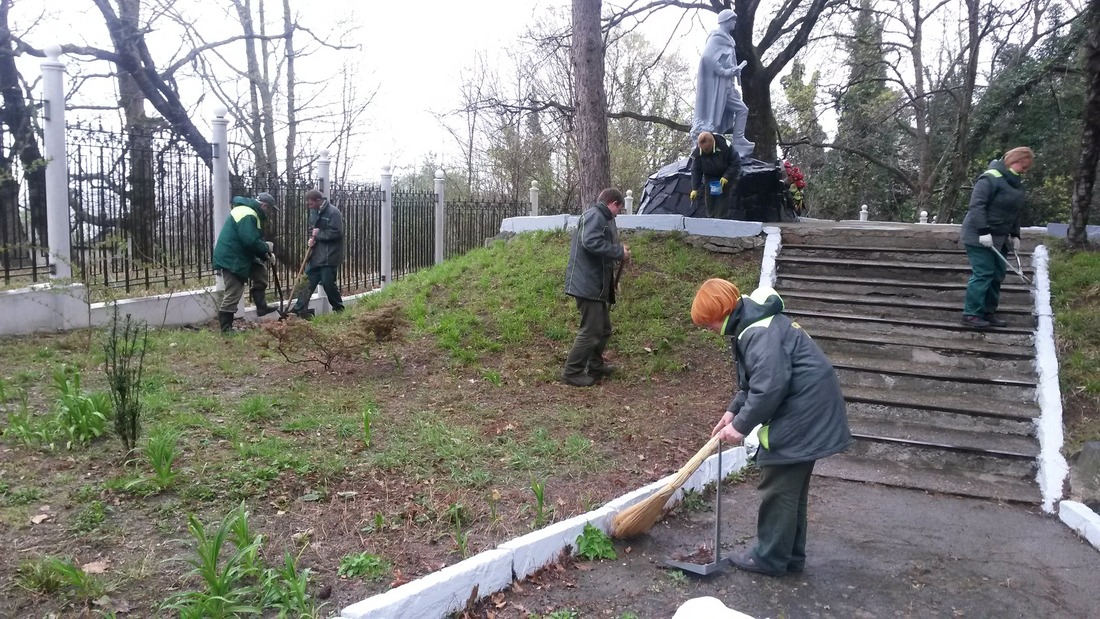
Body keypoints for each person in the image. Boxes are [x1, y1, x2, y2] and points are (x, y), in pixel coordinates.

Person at [691, 279, 851, 576]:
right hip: (811, 411)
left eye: (708, 322)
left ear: (720, 311)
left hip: (803, 415)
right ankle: (789, 557)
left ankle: (769, 558)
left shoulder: (758, 334)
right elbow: (754, 382)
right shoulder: (756, 323)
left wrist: (740, 427)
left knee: (778, 486)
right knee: (791, 492)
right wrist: (733, 411)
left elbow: (769, 387)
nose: (709, 329)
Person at [562, 188, 631, 387]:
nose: (618, 214)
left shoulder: (599, 217)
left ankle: (595, 365)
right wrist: (618, 251)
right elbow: (590, 242)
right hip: (587, 284)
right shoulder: (596, 216)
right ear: (614, 203)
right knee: (591, 330)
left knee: (603, 329)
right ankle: (572, 372)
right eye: (619, 209)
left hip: (593, 284)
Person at [959, 147, 1034, 329]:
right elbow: (976, 207)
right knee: (984, 273)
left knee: (997, 275)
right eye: (1024, 167)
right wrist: (983, 231)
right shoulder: (989, 178)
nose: (1025, 171)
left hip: (1000, 236)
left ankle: (988, 312)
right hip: (978, 235)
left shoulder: (1016, 184)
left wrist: (1016, 235)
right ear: (1015, 161)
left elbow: (1015, 212)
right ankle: (971, 314)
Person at [692, 9, 754, 159]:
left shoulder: (728, 40)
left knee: (742, 110)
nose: (735, 23)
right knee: (717, 118)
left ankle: (738, 141)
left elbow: (727, 61)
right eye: (732, 20)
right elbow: (707, 57)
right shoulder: (717, 38)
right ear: (726, 21)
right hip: (718, 87)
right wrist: (724, 71)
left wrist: (733, 71)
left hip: (728, 86)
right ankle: (709, 145)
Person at [213, 194, 278, 333]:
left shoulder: (249, 211)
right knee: (234, 291)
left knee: (260, 272)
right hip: (232, 257)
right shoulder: (248, 214)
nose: (269, 213)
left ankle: (261, 307)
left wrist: (265, 255)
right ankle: (226, 329)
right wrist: (266, 247)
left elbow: (251, 241)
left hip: (240, 254)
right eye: (270, 209)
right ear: (264, 206)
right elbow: (250, 241)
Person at [290, 189, 345, 317]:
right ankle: (299, 310)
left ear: (319, 201)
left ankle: (339, 308)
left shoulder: (333, 212)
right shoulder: (314, 211)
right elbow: (312, 228)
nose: (309, 206)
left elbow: (337, 232)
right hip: (315, 254)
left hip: (329, 255)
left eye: (311, 204)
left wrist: (318, 234)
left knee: (328, 283)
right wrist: (311, 238)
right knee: (307, 282)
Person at [689, 131, 741, 219]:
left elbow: (735, 163)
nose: (705, 152)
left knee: (721, 201)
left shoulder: (725, 146)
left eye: (707, 149)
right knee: (709, 200)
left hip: (726, 175)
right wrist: (694, 188)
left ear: (713, 143)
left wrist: (726, 176)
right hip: (710, 176)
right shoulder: (698, 152)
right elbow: (696, 171)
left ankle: (720, 220)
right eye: (703, 149)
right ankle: (710, 219)